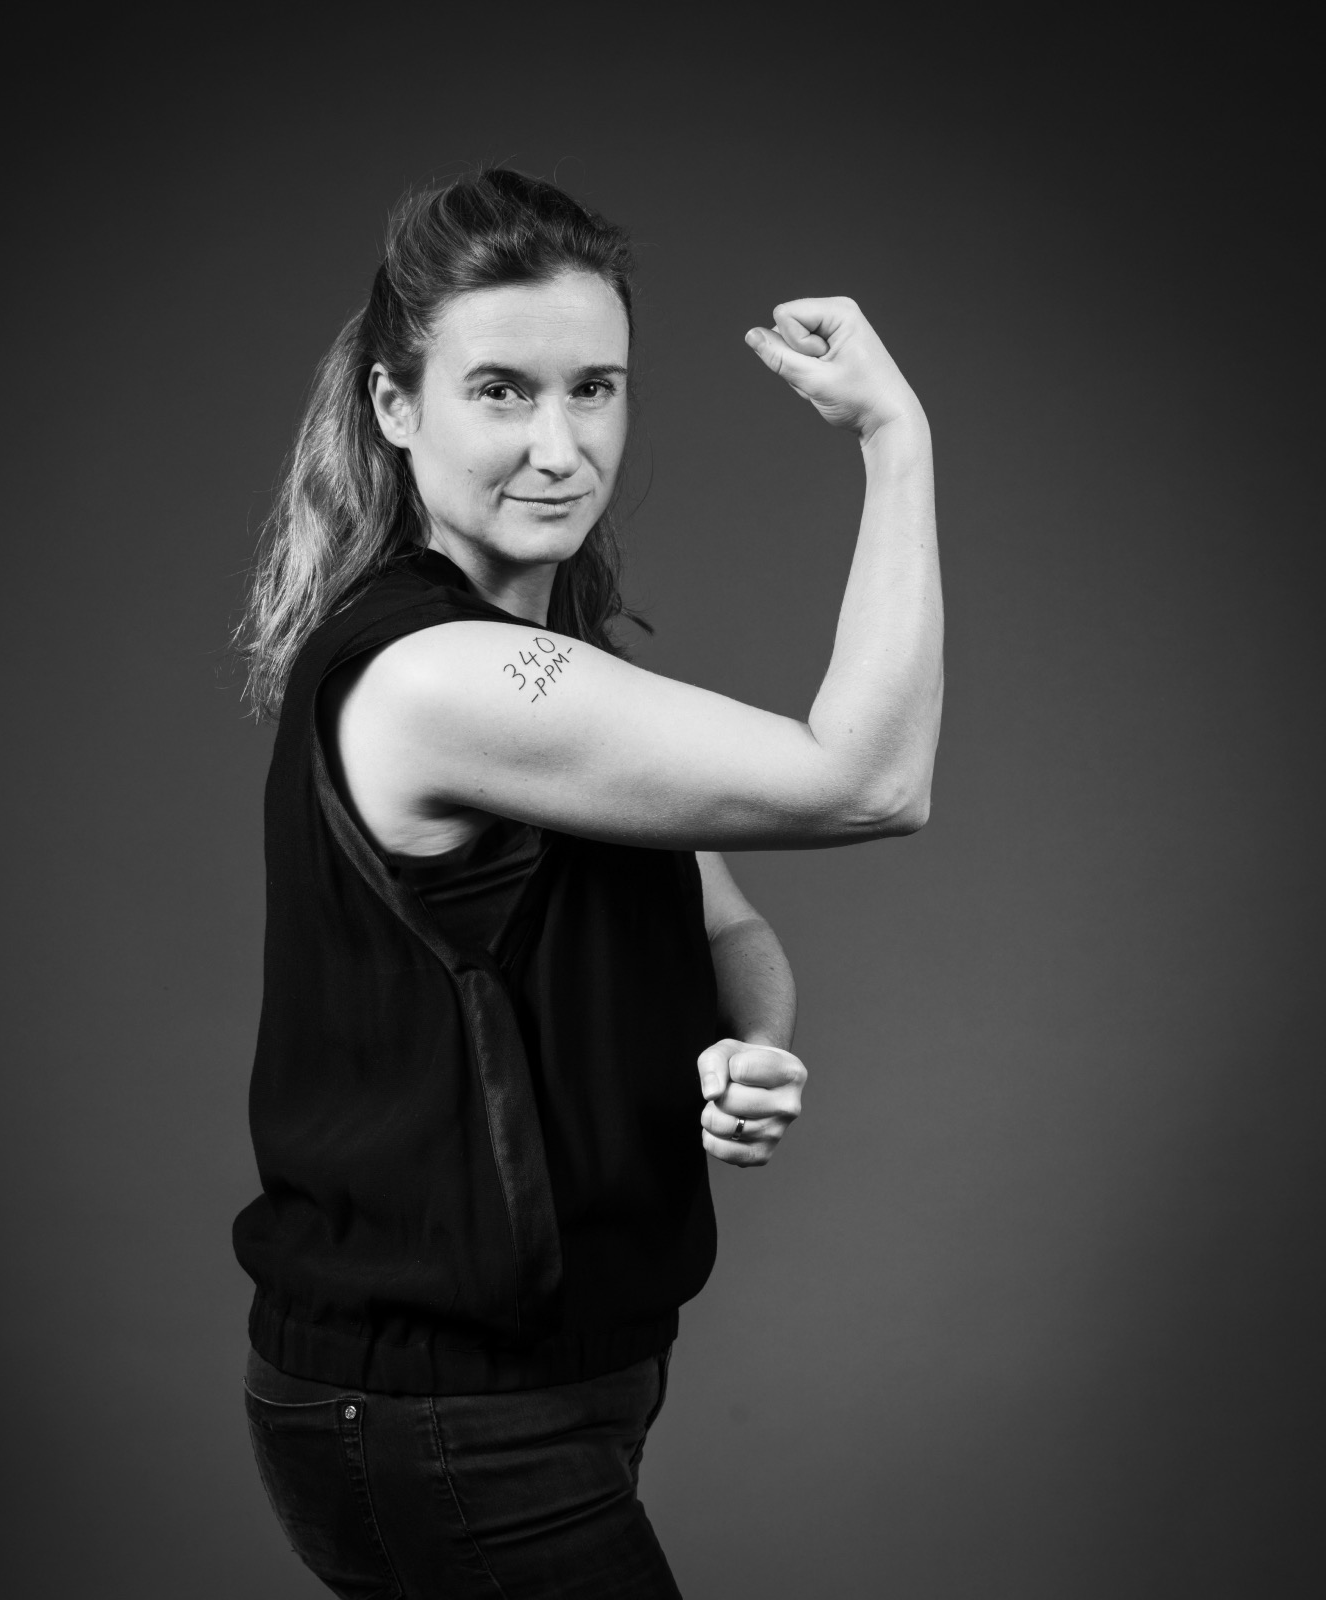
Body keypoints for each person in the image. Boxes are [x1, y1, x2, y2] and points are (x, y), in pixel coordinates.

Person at [232, 168, 940, 1600]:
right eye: (500, 390)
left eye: (595, 389)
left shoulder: (576, 675)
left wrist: (755, 1043)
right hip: (444, 1417)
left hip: (571, 1384)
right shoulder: (435, 676)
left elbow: (725, 917)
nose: (559, 446)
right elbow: (869, 780)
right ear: (393, 407)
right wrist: (896, 441)